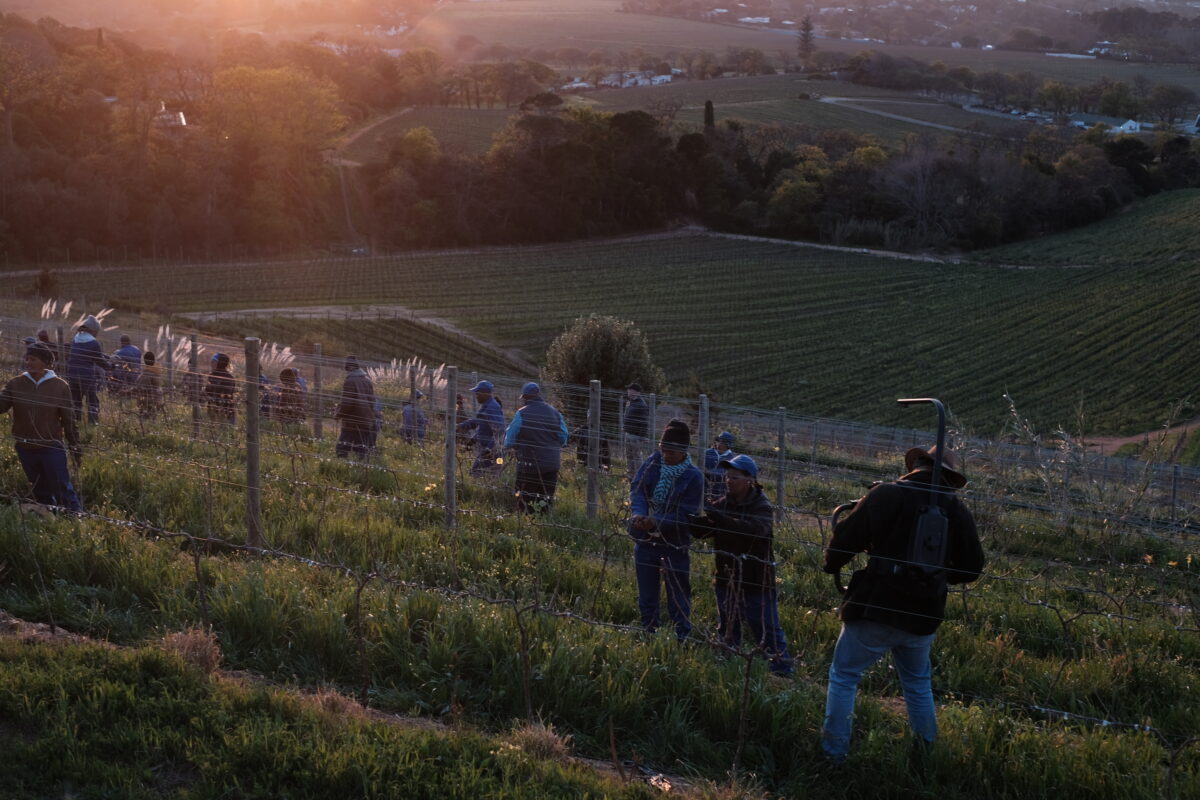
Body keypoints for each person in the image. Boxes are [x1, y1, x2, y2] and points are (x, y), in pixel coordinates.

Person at [820, 445, 985, 763]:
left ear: (917, 465)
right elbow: (971, 568)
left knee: (844, 675)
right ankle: (925, 753)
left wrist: (831, 564)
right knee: (917, 683)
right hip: (924, 615)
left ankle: (834, 755)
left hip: (876, 607)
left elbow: (844, 543)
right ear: (948, 477)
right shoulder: (956, 508)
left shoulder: (886, 494)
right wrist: (935, 575)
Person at [692, 454, 793, 676]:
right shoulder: (724, 503)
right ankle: (728, 669)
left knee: (765, 629)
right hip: (726, 577)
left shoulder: (762, 506)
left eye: (734, 477)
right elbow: (706, 531)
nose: (728, 481)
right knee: (728, 626)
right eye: (727, 477)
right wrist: (693, 518)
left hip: (756, 580)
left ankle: (783, 673)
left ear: (750, 480)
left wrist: (720, 518)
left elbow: (754, 531)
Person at [628, 419, 703, 640]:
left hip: (674, 542)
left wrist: (657, 521)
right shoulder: (653, 463)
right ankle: (649, 631)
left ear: (683, 451)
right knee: (647, 591)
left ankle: (682, 636)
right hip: (645, 537)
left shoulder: (693, 476)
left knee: (678, 591)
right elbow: (638, 489)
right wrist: (639, 514)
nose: (665, 455)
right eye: (663, 449)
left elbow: (686, 514)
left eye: (670, 452)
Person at [0, 343, 82, 511]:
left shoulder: (60, 386)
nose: (28, 362)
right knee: (40, 490)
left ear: (45, 362)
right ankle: (50, 520)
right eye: (27, 358)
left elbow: (68, 420)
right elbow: (1, 406)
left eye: (33, 359)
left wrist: (75, 445)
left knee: (62, 489)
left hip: (50, 447)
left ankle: (75, 520)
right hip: (25, 447)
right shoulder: (16, 383)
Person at [503, 382, 569, 513]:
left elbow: (509, 439)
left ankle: (527, 526)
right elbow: (563, 437)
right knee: (546, 500)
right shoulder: (555, 413)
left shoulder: (521, 413)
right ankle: (545, 527)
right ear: (539, 395)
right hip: (551, 465)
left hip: (529, 465)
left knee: (525, 502)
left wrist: (511, 445)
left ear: (526, 397)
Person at [457, 380, 505, 477]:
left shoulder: (491, 408)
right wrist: (471, 439)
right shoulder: (486, 406)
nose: (476, 395)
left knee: (477, 473)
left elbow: (500, 431)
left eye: (477, 393)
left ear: (485, 394)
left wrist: (488, 449)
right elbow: (480, 424)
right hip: (491, 451)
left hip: (493, 452)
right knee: (490, 475)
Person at [66, 315, 107, 424]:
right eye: (97, 331)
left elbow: (86, 354)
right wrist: (111, 366)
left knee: (76, 401)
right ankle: (93, 423)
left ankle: (75, 422)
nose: (97, 333)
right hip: (87, 376)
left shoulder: (75, 339)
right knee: (92, 401)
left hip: (72, 375)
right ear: (93, 330)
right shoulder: (93, 343)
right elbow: (99, 361)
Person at [334, 355, 377, 460]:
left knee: (342, 449)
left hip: (352, 422)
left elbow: (347, 403)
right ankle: (362, 471)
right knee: (361, 449)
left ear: (349, 368)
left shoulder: (350, 381)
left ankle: (341, 468)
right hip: (366, 421)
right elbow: (372, 402)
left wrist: (338, 413)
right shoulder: (367, 381)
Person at [622, 382, 649, 474]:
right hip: (628, 433)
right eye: (628, 390)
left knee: (636, 456)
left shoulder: (641, 405)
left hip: (636, 436)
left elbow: (645, 422)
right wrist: (625, 427)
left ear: (637, 392)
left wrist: (642, 437)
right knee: (629, 455)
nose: (628, 391)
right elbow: (627, 416)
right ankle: (631, 473)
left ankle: (640, 474)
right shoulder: (631, 402)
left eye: (630, 390)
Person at [203, 353, 237, 425]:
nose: (211, 363)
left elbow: (226, 396)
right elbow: (208, 392)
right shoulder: (211, 376)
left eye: (214, 361)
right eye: (211, 361)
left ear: (220, 363)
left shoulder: (228, 378)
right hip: (212, 410)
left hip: (226, 412)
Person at [703, 431, 737, 502]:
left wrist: (708, 472)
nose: (718, 443)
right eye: (718, 440)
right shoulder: (708, 452)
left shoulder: (732, 458)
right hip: (704, 488)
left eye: (721, 441)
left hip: (720, 492)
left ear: (727, 444)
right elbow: (701, 467)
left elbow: (724, 473)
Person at [135, 351, 164, 418]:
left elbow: (139, 388)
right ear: (154, 360)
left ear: (144, 361)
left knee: (145, 420)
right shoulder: (156, 371)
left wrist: (127, 391)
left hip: (148, 403)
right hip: (158, 400)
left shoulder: (147, 374)